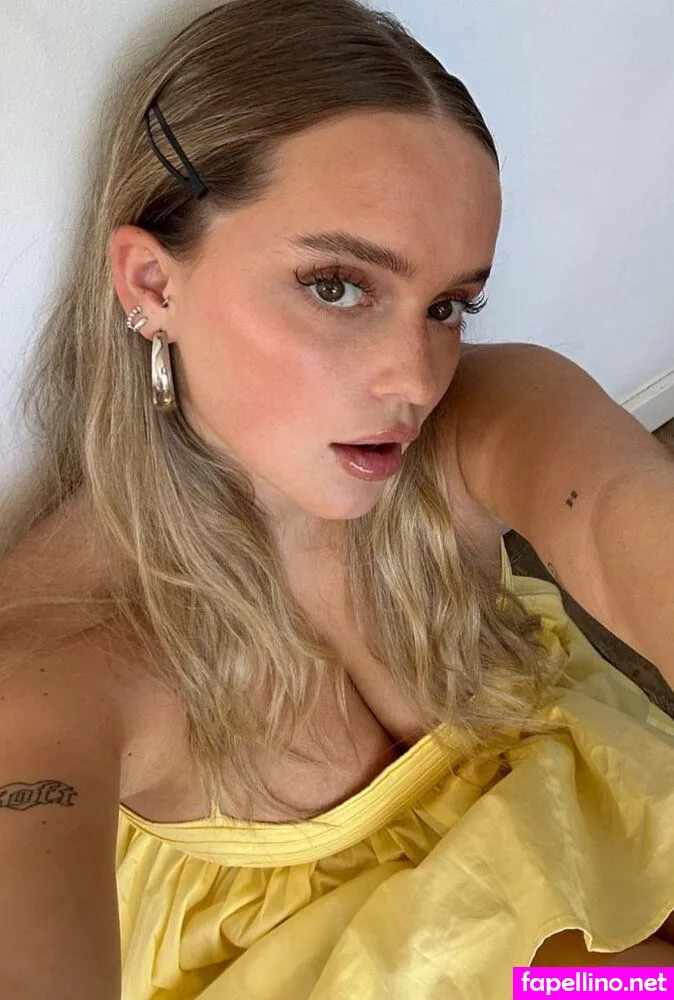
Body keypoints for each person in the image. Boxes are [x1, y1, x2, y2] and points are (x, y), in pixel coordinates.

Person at [0, 1, 673, 997]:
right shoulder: (54, 668)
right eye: (335, 285)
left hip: (594, 894)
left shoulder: (472, 421)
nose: (415, 378)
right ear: (150, 283)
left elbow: (624, 517)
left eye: (446, 305)